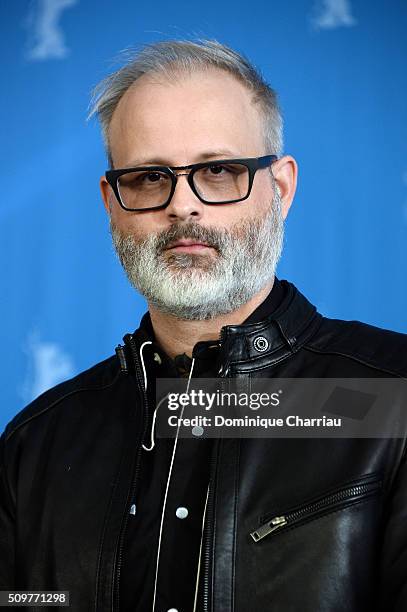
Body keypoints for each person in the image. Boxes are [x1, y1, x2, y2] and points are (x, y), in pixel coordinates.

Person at [1, 39, 406, 612]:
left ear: (280, 190)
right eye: (147, 178)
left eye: (218, 170)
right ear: (112, 202)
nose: (182, 205)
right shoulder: (35, 446)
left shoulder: (393, 398)